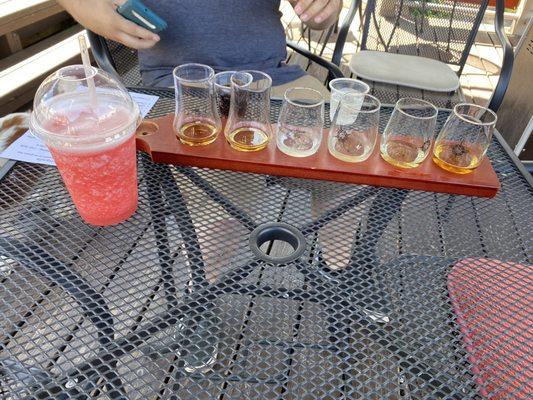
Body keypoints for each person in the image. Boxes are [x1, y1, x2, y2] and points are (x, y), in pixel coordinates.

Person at [57, 0, 341, 97]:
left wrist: (325, 8)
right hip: (180, 85)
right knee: (223, 214)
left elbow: (321, 19)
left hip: (276, 78)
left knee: (346, 172)